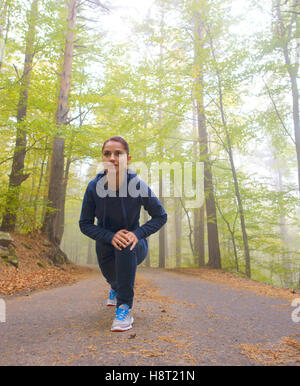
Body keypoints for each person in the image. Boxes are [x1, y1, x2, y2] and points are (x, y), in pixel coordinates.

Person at [79, 136, 167, 332]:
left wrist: (138, 234)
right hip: (105, 245)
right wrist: (110, 236)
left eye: (118, 153)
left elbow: (160, 216)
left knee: (126, 240)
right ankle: (115, 286)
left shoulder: (138, 186)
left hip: (135, 246)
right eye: (107, 153)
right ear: (102, 158)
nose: (112, 158)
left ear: (127, 159)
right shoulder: (94, 187)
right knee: (116, 280)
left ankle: (124, 307)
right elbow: (84, 224)